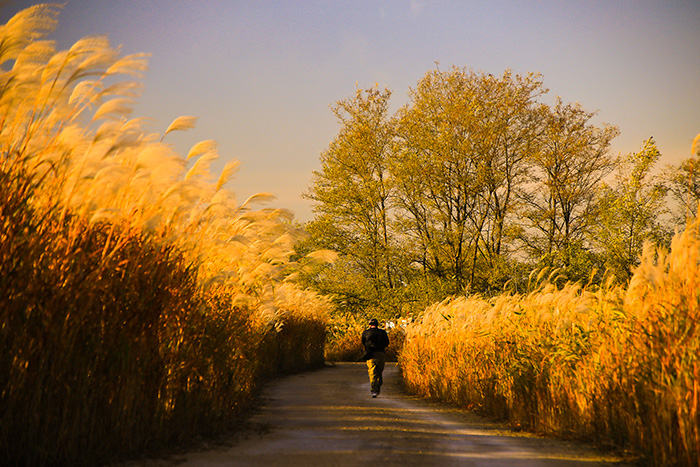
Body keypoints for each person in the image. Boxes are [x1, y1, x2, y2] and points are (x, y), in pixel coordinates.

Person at [361, 318, 390, 398]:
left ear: (369, 325)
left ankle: (374, 390)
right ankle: (378, 387)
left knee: (372, 372)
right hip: (380, 354)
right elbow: (387, 343)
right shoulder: (382, 332)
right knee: (379, 372)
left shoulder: (365, 333)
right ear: (377, 325)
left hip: (370, 354)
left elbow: (363, 343)